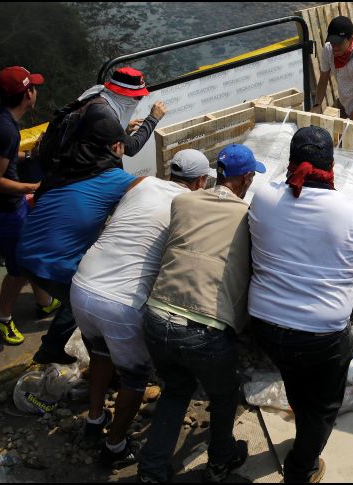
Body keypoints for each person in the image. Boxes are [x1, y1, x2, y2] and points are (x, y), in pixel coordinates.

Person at [69, 149, 214, 468]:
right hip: (120, 302)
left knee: (100, 354)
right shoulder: (190, 205)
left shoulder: (142, 183)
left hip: (82, 284)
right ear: (200, 181)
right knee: (135, 378)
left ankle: (95, 420)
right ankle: (115, 445)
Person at [247, 126, 353, 483]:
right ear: (332, 165)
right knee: (323, 407)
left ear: (291, 162)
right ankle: (301, 469)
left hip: (266, 326)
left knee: (296, 379)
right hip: (321, 336)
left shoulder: (263, 199)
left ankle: (301, 413)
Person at [137, 145, 265, 484]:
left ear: (216, 174)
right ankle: (220, 462)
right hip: (203, 328)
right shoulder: (247, 216)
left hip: (155, 315)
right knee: (225, 393)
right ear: (247, 177)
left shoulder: (182, 201)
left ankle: (151, 471)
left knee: (177, 388)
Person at [16, 116, 138, 365]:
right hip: (48, 258)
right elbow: (149, 191)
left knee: (75, 300)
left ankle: (67, 349)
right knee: (80, 301)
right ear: (116, 147)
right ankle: (65, 352)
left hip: (29, 245)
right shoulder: (114, 178)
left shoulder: (72, 166)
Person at [0, 66, 60, 346]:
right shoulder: (4, 130)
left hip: (4, 208)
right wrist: (34, 188)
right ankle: (3, 318)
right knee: (19, 267)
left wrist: (22, 157)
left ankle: (44, 301)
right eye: (33, 87)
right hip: (2, 212)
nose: (36, 91)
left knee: (30, 252)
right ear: (27, 95)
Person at [77, 67, 167, 157]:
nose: (139, 100)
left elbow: (104, 137)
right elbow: (132, 147)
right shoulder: (104, 115)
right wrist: (153, 118)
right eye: (139, 97)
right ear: (124, 95)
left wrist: (122, 131)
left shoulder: (102, 97)